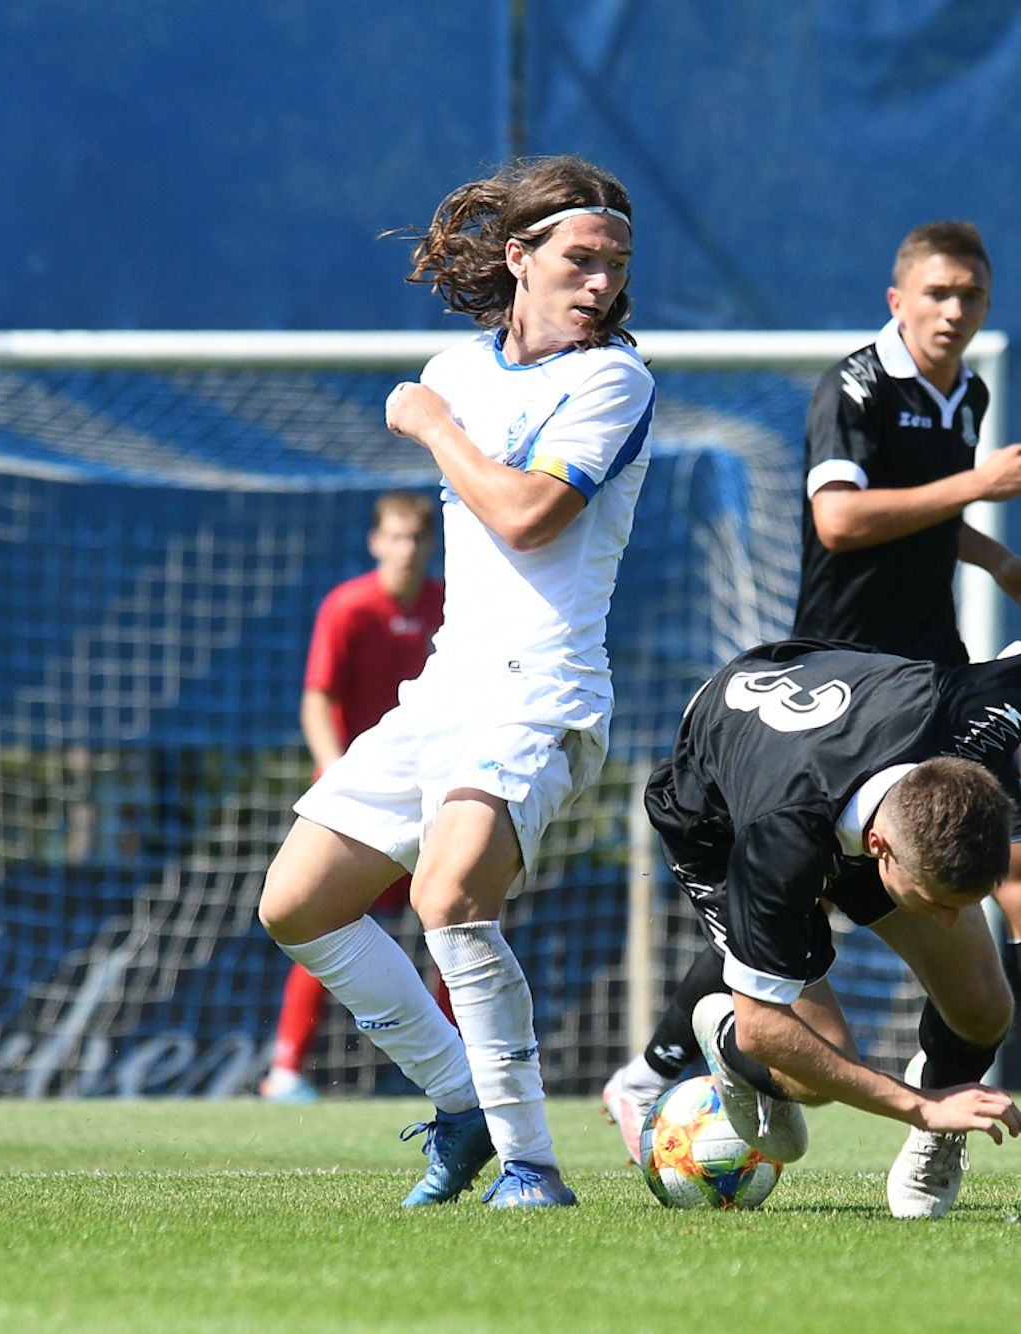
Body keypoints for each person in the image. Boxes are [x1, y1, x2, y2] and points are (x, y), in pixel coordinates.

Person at [258, 154, 654, 1208]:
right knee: (295, 903)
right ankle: (464, 1100)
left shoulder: (612, 378)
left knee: (445, 895)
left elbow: (528, 514)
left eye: (614, 264)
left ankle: (531, 1163)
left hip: (542, 688)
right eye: (580, 260)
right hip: (446, 687)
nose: (600, 284)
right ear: (518, 258)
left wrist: (430, 425)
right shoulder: (457, 367)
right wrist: (441, 402)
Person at [602, 219, 1021, 1161]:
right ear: (897, 300)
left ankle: (945, 1097)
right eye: (939, 293)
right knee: (793, 917)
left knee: (980, 879)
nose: (955, 311)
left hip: (926, 671)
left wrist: (992, 555)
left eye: (973, 297)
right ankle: (677, 1056)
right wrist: (980, 488)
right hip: (841, 675)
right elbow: (838, 520)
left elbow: (925, 519)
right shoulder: (855, 386)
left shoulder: (967, 393)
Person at [645, 637, 1021, 1219]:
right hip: (719, 818)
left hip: (854, 757)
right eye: (939, 901)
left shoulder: (975, 714)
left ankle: (945, 1118)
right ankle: (720, 1027)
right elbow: (767, 1031)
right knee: (812, 1071)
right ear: (880, 848)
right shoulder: (779, 846)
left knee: (983, 1007)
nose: (953, 919)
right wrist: (916, 1106)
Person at [259, 489, 450, 1103]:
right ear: (375, 542)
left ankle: (462, 1062)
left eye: (417, 537)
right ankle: (286, 1071)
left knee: (455, 916)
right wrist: (336, 772)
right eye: (395, 536)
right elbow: (318, 699)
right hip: (361, 799)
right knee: (317, 916)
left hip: (428, 798)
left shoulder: (450, 606)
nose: (406, 548)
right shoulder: (348, 607)